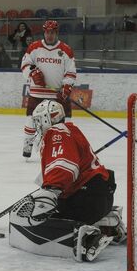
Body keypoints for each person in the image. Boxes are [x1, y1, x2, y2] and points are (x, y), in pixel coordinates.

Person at [9, 100, 125, 262]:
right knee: (52, 208)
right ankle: (109, 223)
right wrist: (46, 185)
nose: (36, 125)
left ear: (47, 119)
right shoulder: (69, 130)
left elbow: (63, 165)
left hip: (86, 200)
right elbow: (67, 164)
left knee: (45, 220)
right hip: (100, 197)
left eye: (38, 120)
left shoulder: (56, 133)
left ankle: (89, 239)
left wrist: (51, 189)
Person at [20, 20, 76, 158]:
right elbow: (25, 65)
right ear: (44, 32)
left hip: (57, 95)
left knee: (65, 122)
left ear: (56, 33)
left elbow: (71, 72)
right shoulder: (34, 47)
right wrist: (32, 73)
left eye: (52, 32)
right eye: (47, 32)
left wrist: (66, 86)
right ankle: (27, 145)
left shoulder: (65, 50)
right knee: (30, 119)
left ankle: (64, 148)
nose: (49, 35)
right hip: (37, 93)